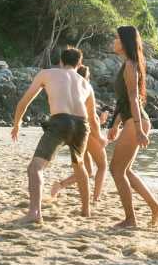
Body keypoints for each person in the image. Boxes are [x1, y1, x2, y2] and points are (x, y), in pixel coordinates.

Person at [11, 46, 101, 224]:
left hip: (60, 121)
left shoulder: (47, 73)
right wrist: (100, 137)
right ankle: (86, 211)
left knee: (35, 167)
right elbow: (93, 118)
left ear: (61, 61)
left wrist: (16, 124)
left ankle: (35, 212)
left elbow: (24, 102)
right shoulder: (86, 84)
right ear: (79, 64)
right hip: (82, 125)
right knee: (80, 166)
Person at [106, 26, 158, 229]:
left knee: (116, 169)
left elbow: (133, 99)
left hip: (136, 121)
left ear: (124, 42)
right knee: (125, 170)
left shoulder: (130, 66)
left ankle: (131, 219)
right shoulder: (128, 65)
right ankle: (155, 207)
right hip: (132, 120)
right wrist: (115, 124)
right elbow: (125, 101)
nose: (113, 41)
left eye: (116, 38)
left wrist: (139, 129)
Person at [49, 65, 110, 206]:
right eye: (89, 76)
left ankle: (60, 185)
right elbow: (91, 119)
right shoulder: (86, 89)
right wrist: (100, 136)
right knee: (102, 166)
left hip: (78, 134)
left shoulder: (72, 90)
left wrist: (101, 120)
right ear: (86, 77)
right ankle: (96, 198)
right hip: (90, 135)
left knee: (87, 171)